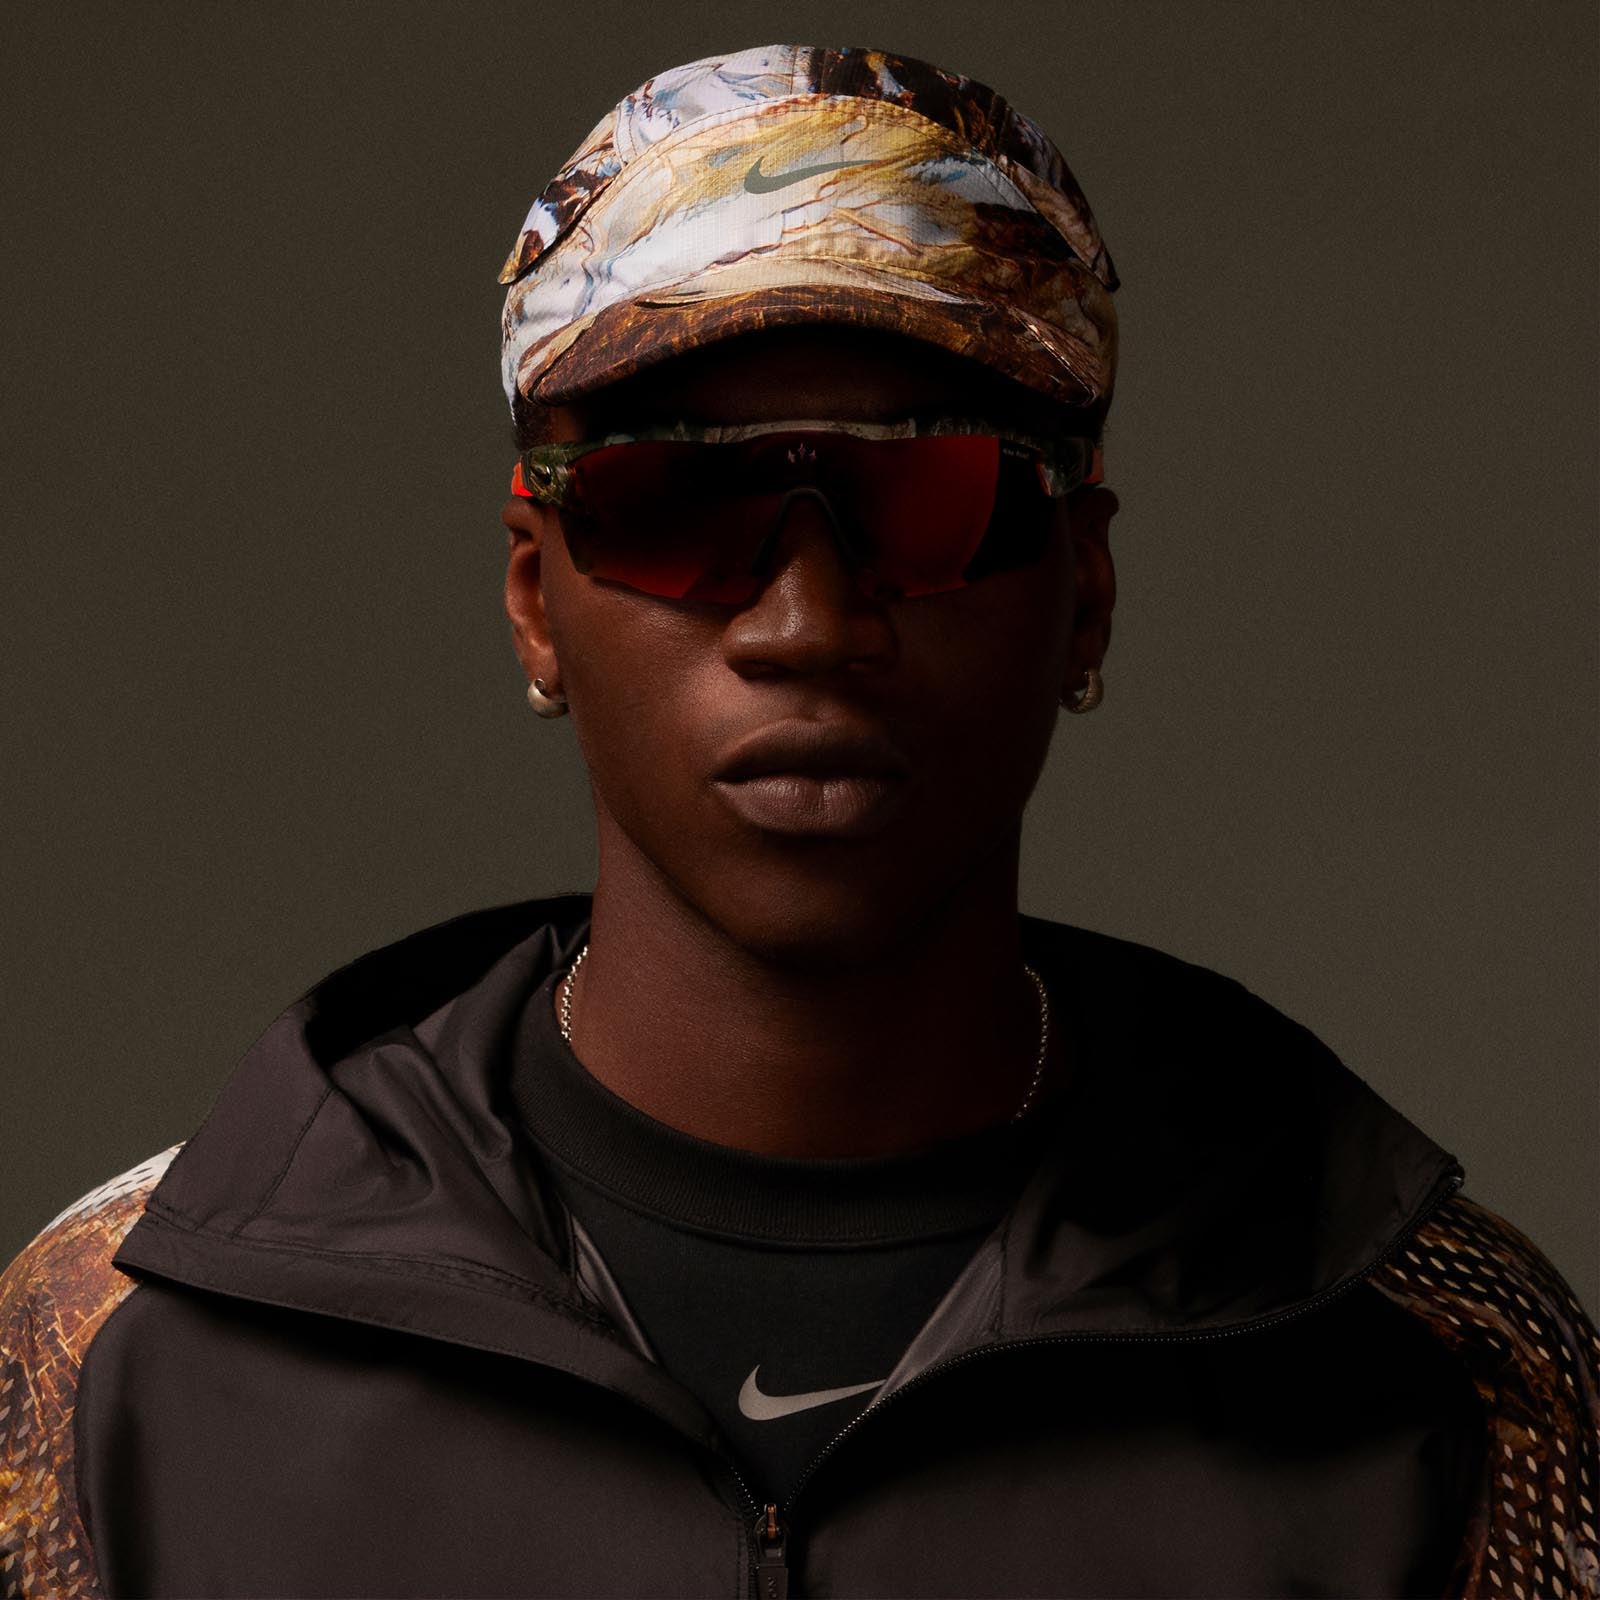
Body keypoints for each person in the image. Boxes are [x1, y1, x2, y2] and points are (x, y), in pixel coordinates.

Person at [1, 40, 1595, 1600]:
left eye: (931, 498)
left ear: (1086, 594)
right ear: (536, 602)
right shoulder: (122, 1358)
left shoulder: (1444, 1381)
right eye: (677, 503)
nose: (806, 624)